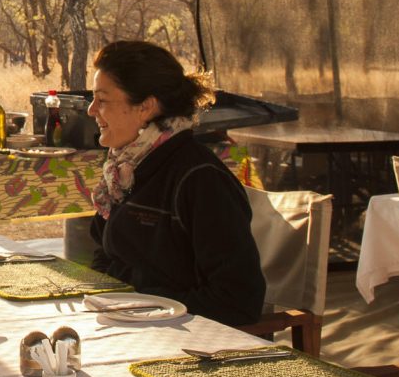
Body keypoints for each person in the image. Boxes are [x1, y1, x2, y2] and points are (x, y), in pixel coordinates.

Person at [86, 41, 265, 327]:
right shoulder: (127, 169)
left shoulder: (200, 180)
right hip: (134, 326)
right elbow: (107, 254)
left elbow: (238, 300)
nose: (91, 110)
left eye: (102, 100)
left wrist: (145, 303)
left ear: (145, 107)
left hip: (193, 344)